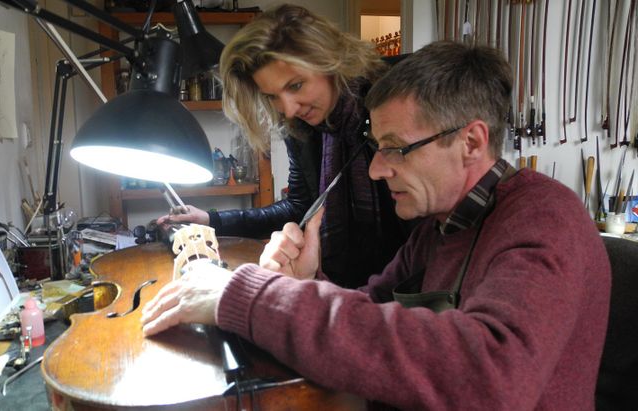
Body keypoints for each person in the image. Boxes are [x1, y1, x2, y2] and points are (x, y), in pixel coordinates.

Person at [142, 41, 611, 409]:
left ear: (471, 141)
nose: (375, 169)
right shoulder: (440, 226)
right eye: (375, 146)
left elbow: (489, 378)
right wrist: (308, 280)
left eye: (396, 148)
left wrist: (250, 296)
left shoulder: (545, 219)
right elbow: (370, 309)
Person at [157, 4, 417, 288]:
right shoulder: (302, 128)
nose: (288, 109)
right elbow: (298, 206)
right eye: (272, 96)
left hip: (414, 287)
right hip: (343, 289)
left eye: (295, 86)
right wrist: (211, 220)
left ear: (329, 61)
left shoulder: (396, 103)